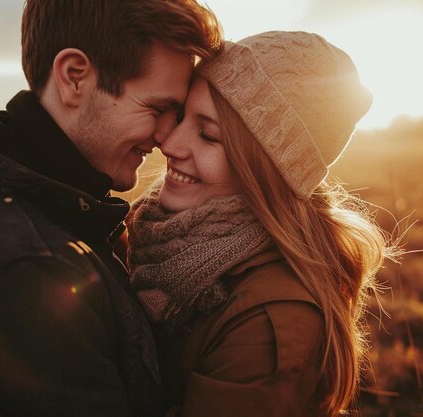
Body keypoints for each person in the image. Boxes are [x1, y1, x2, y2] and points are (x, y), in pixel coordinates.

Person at [0, 1, 222, 416]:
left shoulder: (63, 213)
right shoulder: (27, 271)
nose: (167, 138)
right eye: (157, 109)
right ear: (74, 76)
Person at [126, 31, 398, 417]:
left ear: (265, 169)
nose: (169, 144)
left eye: (208, 136)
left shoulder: (273, 321)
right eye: (181, 116)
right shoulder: (146, 235)